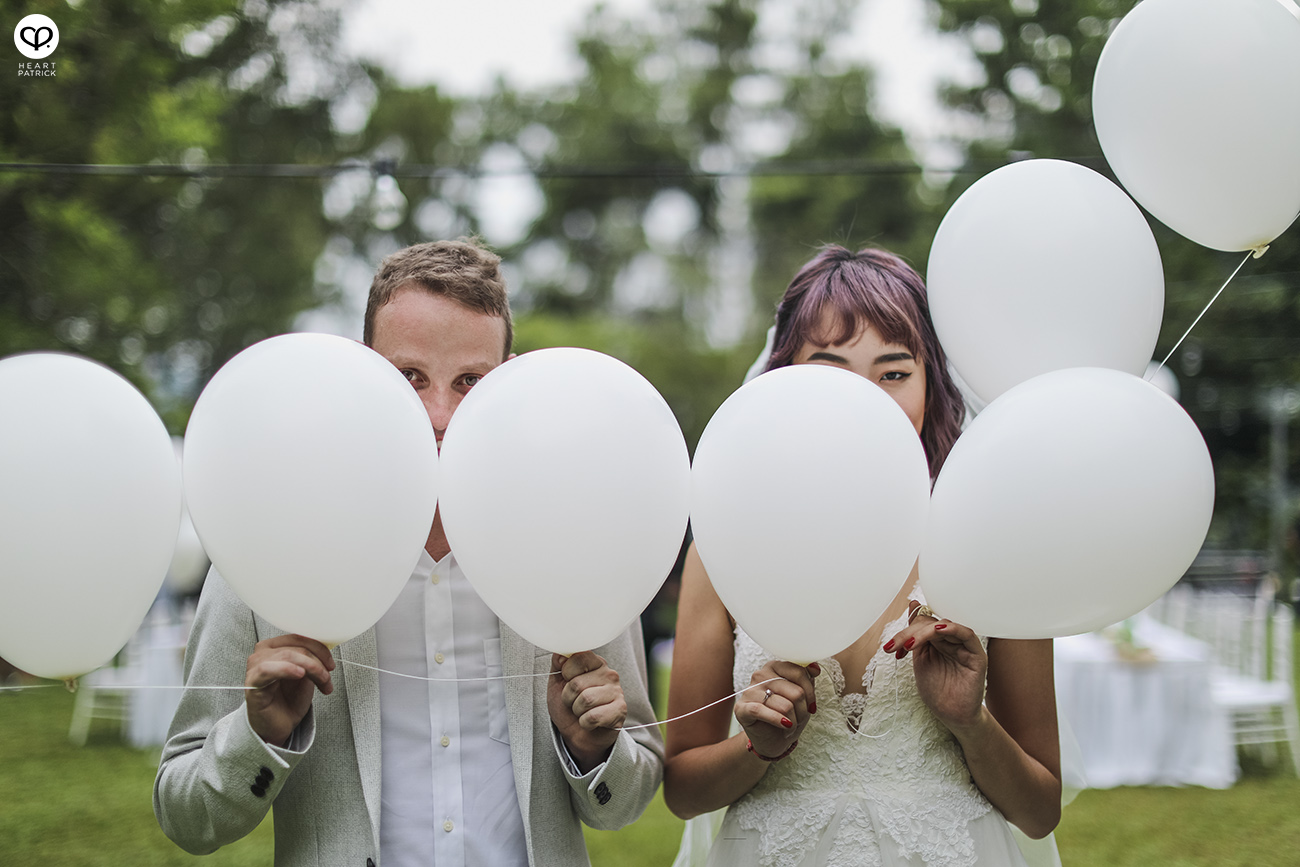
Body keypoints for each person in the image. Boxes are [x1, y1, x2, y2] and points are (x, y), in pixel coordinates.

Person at [154, 239, 664, 867]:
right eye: (410, 378)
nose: (439, 413)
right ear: (366, 371)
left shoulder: (574, 539)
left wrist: (593, 749)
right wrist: (259, 734)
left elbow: (630, 795)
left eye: (469, 381)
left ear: (510, 377)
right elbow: (185, 817)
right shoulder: (274, 541)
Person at [662, 245, 1061, 867]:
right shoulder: (721, 548)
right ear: (782, 377)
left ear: (932, 384)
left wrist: (970, 724)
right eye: (830, 368)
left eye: (894, 372)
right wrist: (757, 748)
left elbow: (1040, 812)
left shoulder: (993, 540)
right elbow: (683, 792)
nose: (866, 399)